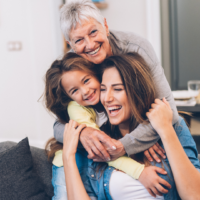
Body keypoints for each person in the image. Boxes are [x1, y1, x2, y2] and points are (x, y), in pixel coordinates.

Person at [61, 53, 200, 200]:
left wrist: (165, 130)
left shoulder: (173, 127)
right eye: (103, 89)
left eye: (118, 89)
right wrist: (68, 157)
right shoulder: (99, 141)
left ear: (137, 91)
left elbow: (195, 195)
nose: (107, 98)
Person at [54, 0, 179, 163]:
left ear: (105, 26)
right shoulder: (72, 66)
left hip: (146, 135)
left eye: (93, 32)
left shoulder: (137, 48)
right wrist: (83, 133)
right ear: (70, 45)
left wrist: (126, 144)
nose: (90, 45)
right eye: (79, 40)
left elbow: (170, 113)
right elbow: (58, 126)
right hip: (109, 139)